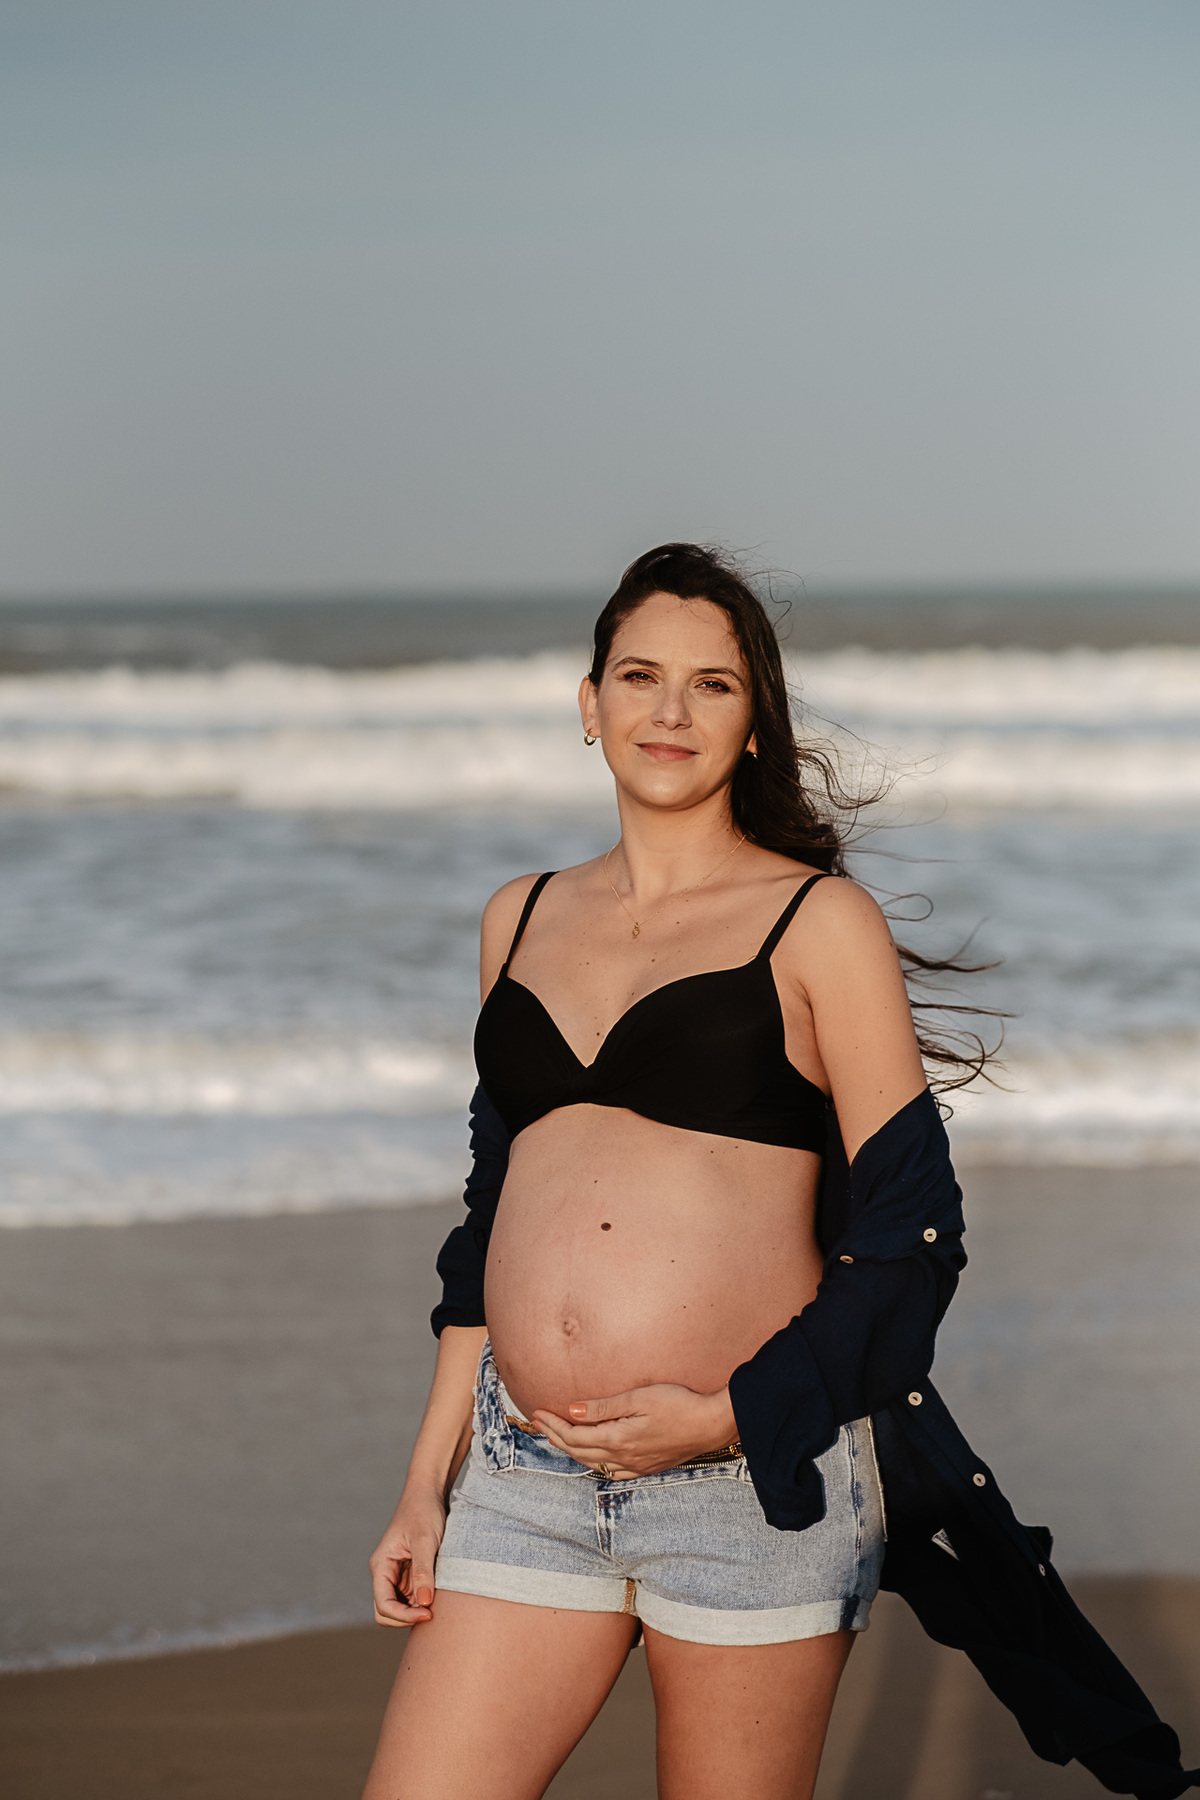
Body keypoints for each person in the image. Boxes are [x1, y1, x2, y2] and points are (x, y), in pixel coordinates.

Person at [360, 546, 1198, 1800]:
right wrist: (426, 1485)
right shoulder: (518, 918)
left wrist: (733, 1415)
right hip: (523, 1477)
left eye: (714, 685)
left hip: (753, 1493)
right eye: (640, 677)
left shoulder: (818, 925)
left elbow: (916, 1234)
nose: (671, 712)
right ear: (588, 704)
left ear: (755, 724)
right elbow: (489, 1220)